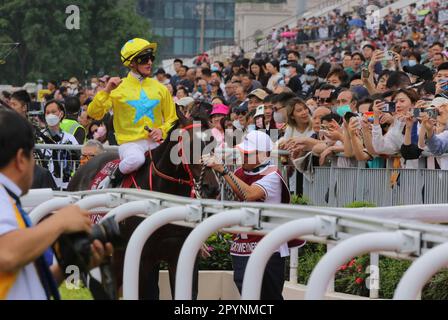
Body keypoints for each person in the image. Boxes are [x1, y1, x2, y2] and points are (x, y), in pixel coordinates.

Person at [0, 109, 112, 300]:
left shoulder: (9, 198)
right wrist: (60, 221)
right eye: (32, 156)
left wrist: (67, 266)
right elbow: (6, 254)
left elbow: (25, 284)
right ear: (21, 159)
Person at [203, 130, 295, 300]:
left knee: (269, 298)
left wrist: (223, 170)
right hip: (242, 249)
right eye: (243, 153)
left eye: (248, 154)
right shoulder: (238, 173)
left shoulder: (273, 175)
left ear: (265, 155)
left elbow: (250, 194)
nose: (243, 157)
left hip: (269, 249)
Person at [88, 38, 178, 186]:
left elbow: (173, 118)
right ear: (132, 63)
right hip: (131, 145)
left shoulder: (161, 88)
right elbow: (94, 113)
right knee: (137, 159)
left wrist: (162, 130)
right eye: (144, 59)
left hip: (156, 144)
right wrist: (106, 90)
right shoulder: (117, 88)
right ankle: (110, 180)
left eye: (151, 58)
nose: (149, 62)